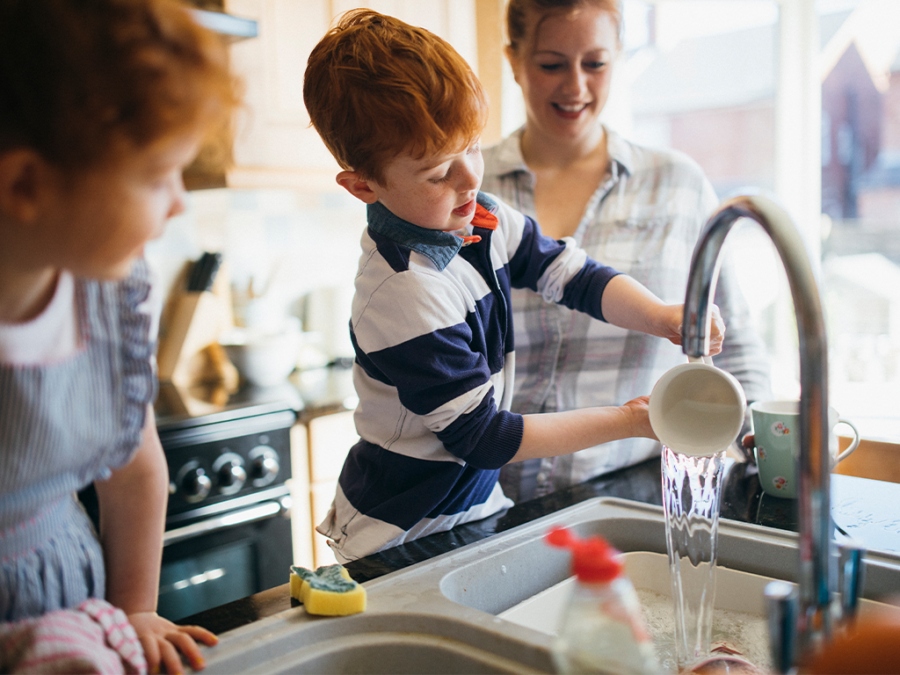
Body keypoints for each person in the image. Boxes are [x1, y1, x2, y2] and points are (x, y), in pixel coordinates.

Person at [302, 9, 725, 563]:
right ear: (363, 186)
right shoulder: (404, 291)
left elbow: (574, 276)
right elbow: (485, 438)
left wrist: (661, 316)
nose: (470, 178)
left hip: (472, 513)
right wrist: (630, 421)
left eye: (473, 147)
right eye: (438, 172)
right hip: (400, 533)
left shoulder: (480, 218)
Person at [0, 0, 239, 672]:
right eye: (158, 176)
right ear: (26, 184)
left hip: (74, 592)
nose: (179, 202)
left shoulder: (109, 294)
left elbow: (134, 469)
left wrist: (135, 609)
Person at [481, 0, 773, 502]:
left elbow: (735, 348)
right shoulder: (465, 188)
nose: (575, 86)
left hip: (637, 494)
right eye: (551, 64)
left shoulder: (677, 185)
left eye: (595, 63)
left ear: (618, 56)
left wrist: (765, 449)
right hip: (485, 503)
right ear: (514, 60)